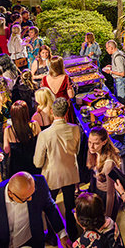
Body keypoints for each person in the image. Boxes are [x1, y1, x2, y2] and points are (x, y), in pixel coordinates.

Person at [0, 171, 72, 248]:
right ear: (10, 194)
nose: (31, 199)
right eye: (25, 198)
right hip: (3, 244)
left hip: (33, 241)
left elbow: (50, 208)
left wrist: (62, 234)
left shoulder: (40, 184)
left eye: (32, 194)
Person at [33, 97, 80, 240]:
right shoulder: (75, 129)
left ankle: (53, 236)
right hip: (70, 172)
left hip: (52, 175)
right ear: (66, 113)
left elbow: (38, 162)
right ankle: (73, 233)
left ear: (52, 112)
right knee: (70, 205)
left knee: (49, 206)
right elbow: (77, 151)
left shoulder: (45, 134)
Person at [87, 126, 122, 221]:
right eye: (89, 142)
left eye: (96, 143)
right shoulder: (93, 152)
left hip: (106, 197)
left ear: (104, 142)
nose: (91, 146)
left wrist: (108, 216)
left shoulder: (108, 163)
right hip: (97, 192)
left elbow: (111, 194)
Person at [4, 100, 40, 175]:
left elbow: (6, 150)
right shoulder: (34, 125)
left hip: (17, 168)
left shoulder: (8, 130)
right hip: (33, 163)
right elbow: (41, 143)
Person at [41, 56, 75, 124]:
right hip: (64, 110)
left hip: (52, 110)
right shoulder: (66, 78)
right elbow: (71, 95)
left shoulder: (44, 79)